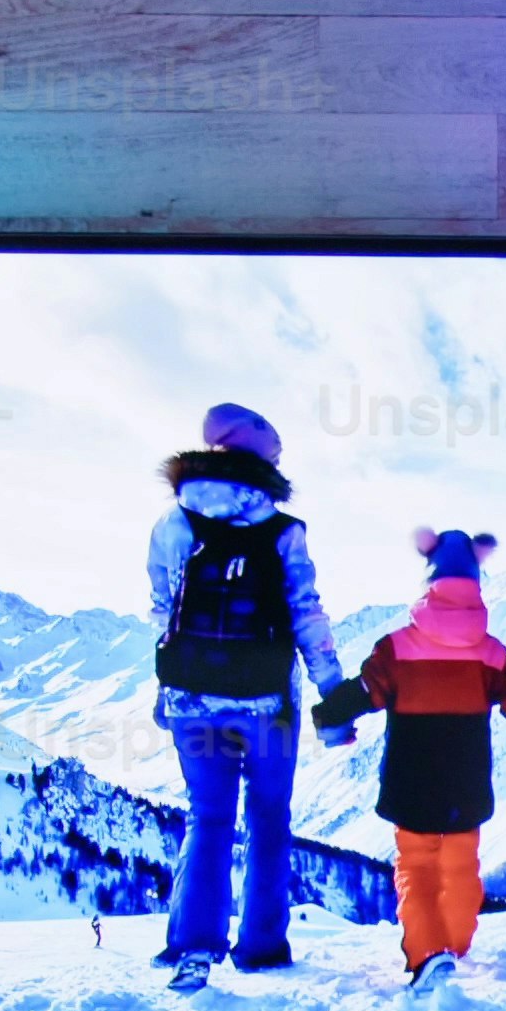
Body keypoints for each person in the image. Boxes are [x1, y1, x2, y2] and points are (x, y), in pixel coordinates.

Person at [309, 524, 506, 983]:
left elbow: (362, 693)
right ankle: (453, 945)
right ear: (476, 586)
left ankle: (429, 953)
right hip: (465, 789)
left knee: (416, 870)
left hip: (409, 786)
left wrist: (326, 717)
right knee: (460, 870)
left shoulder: (396, 649)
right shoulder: (491, 655)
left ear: (428, 583)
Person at [145, 402, 333, 981]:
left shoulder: (173, 524)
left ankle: (193, 947)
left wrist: (170, 685)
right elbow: (306, 614)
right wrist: (334, 690)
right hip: (267, 702)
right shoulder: (283, 531)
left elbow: (162, 607)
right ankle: (261, 948)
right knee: (270, 818)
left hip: (191, 697)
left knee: (209, 818)